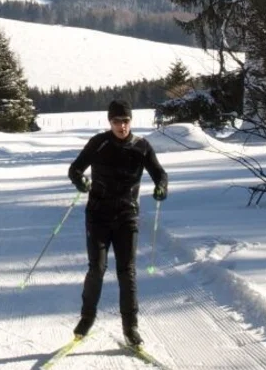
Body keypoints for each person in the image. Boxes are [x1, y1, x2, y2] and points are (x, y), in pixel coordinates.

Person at [66, 100, 167, 350]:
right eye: (116, 121)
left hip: (127, 216)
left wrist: (161, 188)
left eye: (125, 121)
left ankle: (130, 326)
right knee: (97, 269)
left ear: (131, 121)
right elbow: (75, 169)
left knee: (127, 271)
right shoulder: (98, 143)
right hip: (98, 216)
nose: (121, 126)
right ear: (109, 122)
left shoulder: (142, 147)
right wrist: (81, 182)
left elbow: (160, 174)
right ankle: (87, 318)